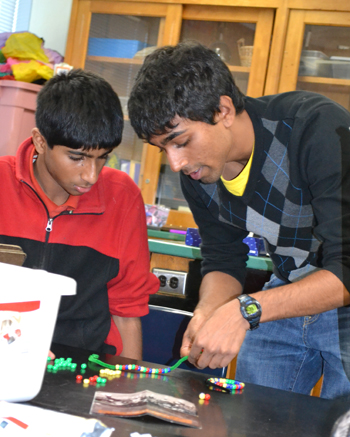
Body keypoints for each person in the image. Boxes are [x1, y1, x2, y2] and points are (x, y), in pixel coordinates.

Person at [128, 41, 350, 399]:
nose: (175, 163)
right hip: (289, 291)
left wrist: (244, 310)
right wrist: (208, 311)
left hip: (340, 290)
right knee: (251, 426)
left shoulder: (314, 129)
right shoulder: (199, 174)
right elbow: (223, 257)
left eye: (180, 141)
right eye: (162, 148)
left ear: (224, 110)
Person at [0, 69, 159, 359]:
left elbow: (127, 310)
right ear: (40, 141)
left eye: (103, 158)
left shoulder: (122, 196)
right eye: (77, 158)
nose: (91, 175)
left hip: (87, 366)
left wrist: (127, 389)